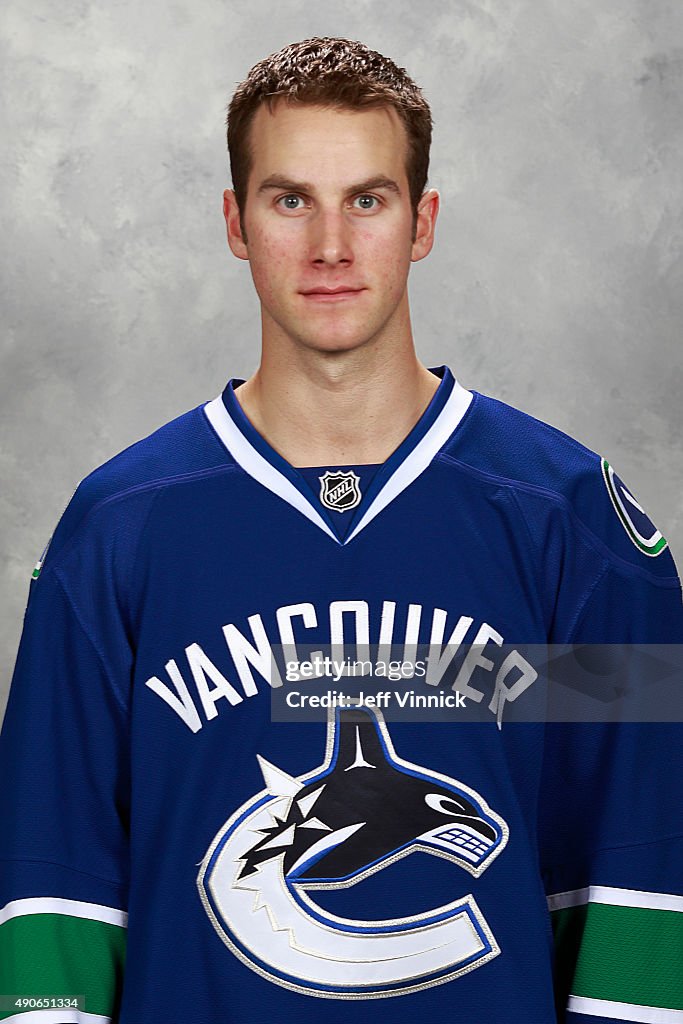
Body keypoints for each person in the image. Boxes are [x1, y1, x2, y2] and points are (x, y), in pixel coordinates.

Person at [1, 35, 682, 1024]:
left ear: (422, 221)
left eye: (366, 199)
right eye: (290, 201)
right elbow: (51, 903)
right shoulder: (115, 532)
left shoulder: (577, 531)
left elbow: (641, 891)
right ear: (235, 222)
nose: (329, 247)